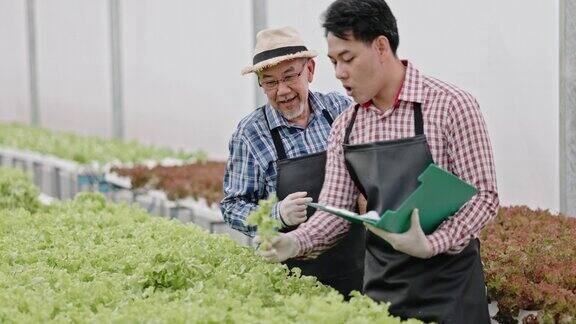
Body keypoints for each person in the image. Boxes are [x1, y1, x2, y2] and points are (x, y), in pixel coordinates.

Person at [259, 1, 499, 323]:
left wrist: (431, 243)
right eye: (333, 62)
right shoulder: (346, 126)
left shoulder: (450, 106)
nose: (340, 72)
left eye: (348, 58)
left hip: (450, 293)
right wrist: (294, 241)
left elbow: (484, 197)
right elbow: (335, 210)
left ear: (381, 47)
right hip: (382, 297)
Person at [220, 26, 365, 298]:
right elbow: (232, 206)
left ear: (309, 70)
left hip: (359, 265)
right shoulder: (250, 134)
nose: (282, 90)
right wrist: (277, 215)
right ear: (261, 84)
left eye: (289, 76)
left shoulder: (340, 110)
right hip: (294, 280)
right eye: (270, 82)